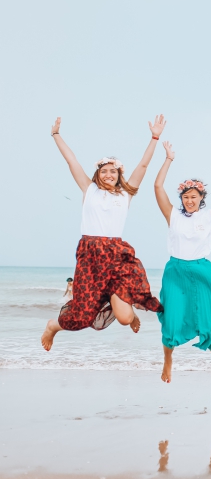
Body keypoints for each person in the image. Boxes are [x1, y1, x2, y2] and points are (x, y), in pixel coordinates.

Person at [41, 116, 166, 351]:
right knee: (82, 317)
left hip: (116, 256)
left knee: (126, 318)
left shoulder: (125, 195)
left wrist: (154, 138)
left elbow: (142, 167)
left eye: (114, 171)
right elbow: (72, 161)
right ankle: (53, 326)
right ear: (98, 174)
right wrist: (56, 135)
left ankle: (127, 308)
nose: (109, 174)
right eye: (105, 171)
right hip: (90, 256)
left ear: (120, 175)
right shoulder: (89, 190)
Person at [154, 141, 211, 382]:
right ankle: (168, 360)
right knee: (171, 318)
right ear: (182, 198)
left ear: (201, 198)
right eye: (186, 197)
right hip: (176, 270)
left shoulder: (209, 217)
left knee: (210, 317)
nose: (190, 200)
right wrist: (168, 159)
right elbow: (157, 186)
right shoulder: (173, 215)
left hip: (202, 270)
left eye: (194, 197)